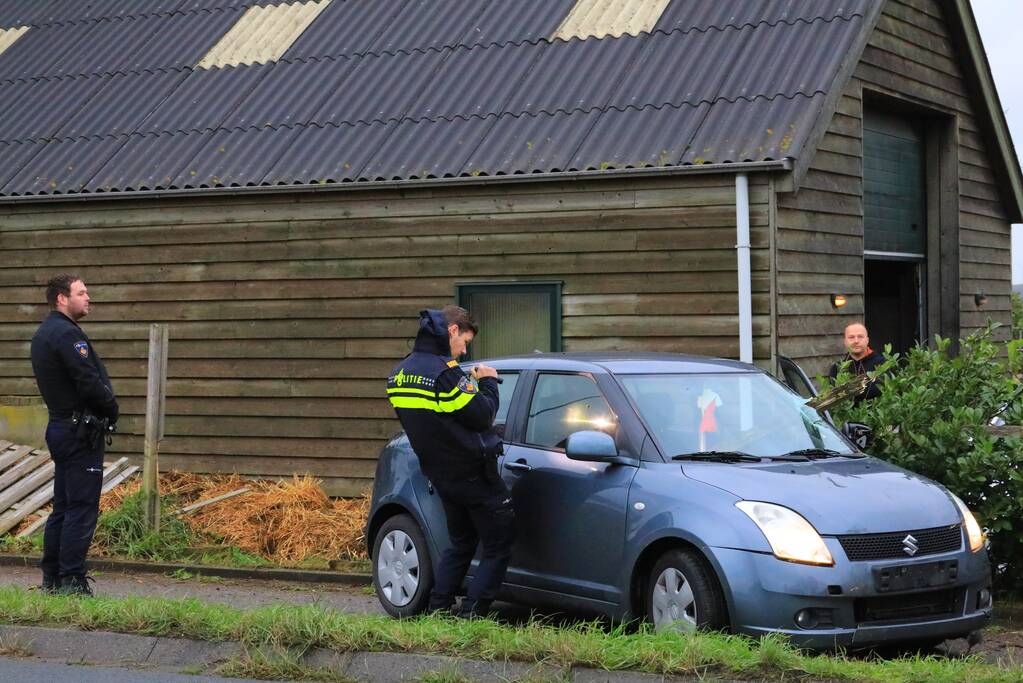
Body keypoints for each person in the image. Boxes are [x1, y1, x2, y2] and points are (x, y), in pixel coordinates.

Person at [386, 306, 514, 618]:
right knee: (499, 542)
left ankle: (439, 607)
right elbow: (482, 415)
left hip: (439, 473)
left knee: (461, 542)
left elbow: (439, 417)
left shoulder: (400, 373)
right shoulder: (444, 373)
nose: (465, 349)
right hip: (472, 472)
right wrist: (488, 382)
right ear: (452, 330)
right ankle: (473, 613)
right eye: (464, 341)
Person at [30, 275, 118, 596]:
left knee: (64, 506)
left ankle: (52, 579)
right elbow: (88, 381)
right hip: (79, 431)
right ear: (61, 299)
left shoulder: (43, 334)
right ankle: (72, 581)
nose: (88, 298)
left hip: (60, 426)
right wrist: (111, 407)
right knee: (81, 506)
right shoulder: (67, 335)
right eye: (81, 292)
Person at [828, 322, 887, 403]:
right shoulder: (837, 368)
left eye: (860, 336)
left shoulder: (883, 364)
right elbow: (831, 398)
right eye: (851, 337)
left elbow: (879, 392)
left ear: (867, 340)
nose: (856, 341)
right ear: (845, 342)